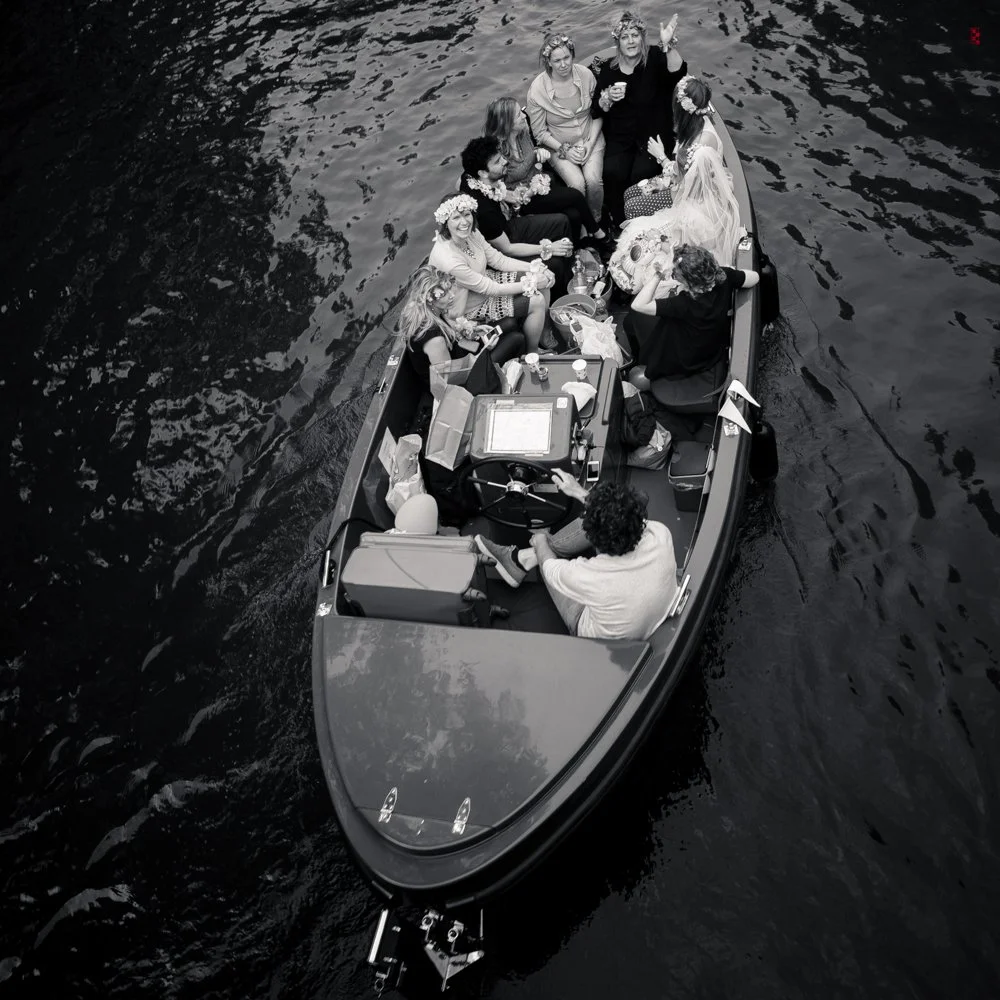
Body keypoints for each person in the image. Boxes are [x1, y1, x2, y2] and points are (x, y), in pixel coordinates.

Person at [474, 472, 678, 641]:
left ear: (595, 543)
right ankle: (517, 560)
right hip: (647, 610)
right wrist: (578, 491)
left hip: (588, 628)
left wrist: (540, 540)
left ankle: (521, 560)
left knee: (545, 554)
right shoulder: (659, 533)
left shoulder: (589, 575)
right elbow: (617, 516)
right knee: (608, 518)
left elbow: (550, 566)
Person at [608, 127, 742, 292]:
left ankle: (631, 288)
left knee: (638, 243)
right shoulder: (717, 186)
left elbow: (684, 253)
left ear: (690, 175)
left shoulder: (691, 216)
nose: (674, 172)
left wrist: (658, 240)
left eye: (677, 171)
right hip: (698, 238)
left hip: (689, 255)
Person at [590, 11, 688, 228]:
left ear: (642, 37)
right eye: (625, 37)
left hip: (653, 136)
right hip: (621, 138)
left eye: (634, 35)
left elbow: (678, 74)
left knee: (641, 173)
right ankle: (619, 224)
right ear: (617, 41)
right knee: (612, 171)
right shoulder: (608, 69)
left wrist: (668, 44)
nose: (631, 41)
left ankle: (644, 225)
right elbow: (597, 110)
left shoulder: (654, 57)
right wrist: (607, 98)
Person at [426, 194, 556, 352]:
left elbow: (498, 260)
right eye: (456, 218)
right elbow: (492, 289)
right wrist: (533, 282)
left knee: (543, 282)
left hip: (485, 281)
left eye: (467, 215)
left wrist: (536, 268)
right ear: (445, 222)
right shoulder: (450, 261)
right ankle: (532, 352)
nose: (464, 222)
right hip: (467, 307)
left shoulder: (471, 233)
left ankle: (543, 330)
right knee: (536, 300)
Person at [482, 97, 609, 249]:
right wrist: (534, 159)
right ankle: (598, 233)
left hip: (540, 184)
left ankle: (579, 244)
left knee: (574, 215)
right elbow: (506, 179)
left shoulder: (522, 133)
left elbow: (531, 155)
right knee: (575, 195)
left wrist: (538, 152)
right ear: (506, 123)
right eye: (518, 115)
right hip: (523, 199)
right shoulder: (497, 151)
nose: (524, 115)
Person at [628, 243, 759, 379]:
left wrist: (659, 274)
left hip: (689, 358)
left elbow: (638, 305)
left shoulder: (683, 303)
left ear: (690, 282)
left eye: (676, 275)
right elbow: (754, 277)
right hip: (712, 347)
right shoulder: (725, 275)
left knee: (637, 322)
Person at [398, 265, 525, 385]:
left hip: (459, 356)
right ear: (429, 300)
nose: (452, 295)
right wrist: (485, 350)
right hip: (462, 382)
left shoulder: (431, 310)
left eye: (449, 289)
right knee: (517, 339)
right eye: (444, 294)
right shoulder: (435, 339)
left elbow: (453, 335)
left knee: (510, 323)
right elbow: (449, 379)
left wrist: (474, 330)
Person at [526, 33, 605, 221]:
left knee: (593, 181)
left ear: (572, 55)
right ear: (548, 62)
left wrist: (589, 144)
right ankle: (584, 225)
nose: (563, 64)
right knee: (577, 184)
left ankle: (597, 219)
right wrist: (565, 150)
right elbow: (539, 133)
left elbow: (598, 114)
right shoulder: (537, 90)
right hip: (558, 145)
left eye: (567, 58)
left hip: (590, 137)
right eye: (557, 60)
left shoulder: (586, 75)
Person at [622, 74, 721, 220]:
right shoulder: (693, 122)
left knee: (632, 207)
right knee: (629, 193)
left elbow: (688, 184)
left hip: (692, 195)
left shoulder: (703, 141)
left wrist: (661, 157)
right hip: (679, 177)